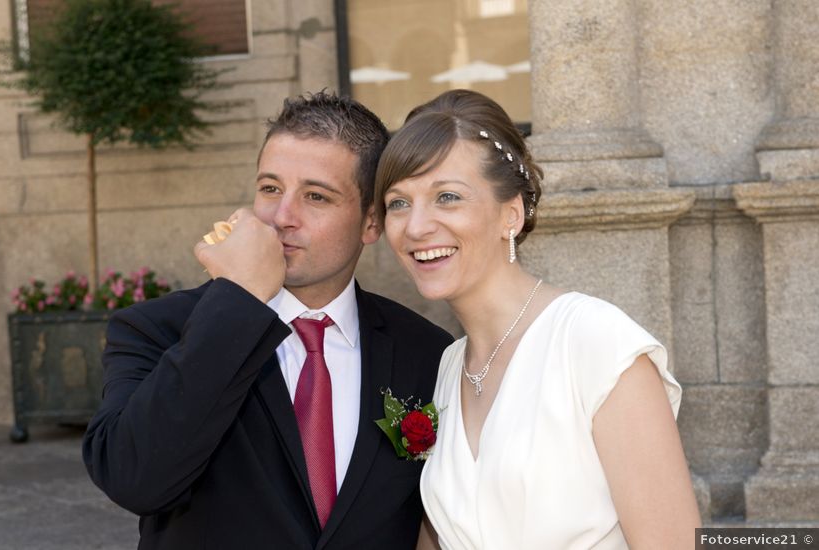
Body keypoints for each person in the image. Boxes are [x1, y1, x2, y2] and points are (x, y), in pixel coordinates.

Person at [82, 91, 453, 549]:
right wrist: (239, 301)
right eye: (270, 189)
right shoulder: (155, 329)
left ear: (371, 223)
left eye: (316, 196)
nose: (281, 217)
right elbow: (133, 478)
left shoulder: (427, 351)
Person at [373, 89, 701, 549]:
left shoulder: (594, 345)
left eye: (446, 197)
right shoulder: (447, 369)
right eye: (398, 203)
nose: (416, 226)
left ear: (511, 214)